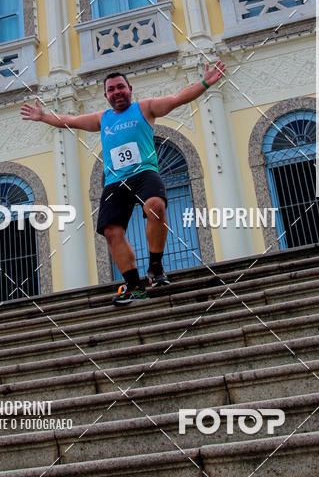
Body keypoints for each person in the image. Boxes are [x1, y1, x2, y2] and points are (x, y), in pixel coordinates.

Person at [20, 61, 226, 305]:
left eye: (121, 87)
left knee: (156, 208)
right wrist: (44, 116)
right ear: (106, 95)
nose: (117, 92)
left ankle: (155, 267)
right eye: (111, 89)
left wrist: (205, 83)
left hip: (144, 173)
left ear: (129, 88)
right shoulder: (102, 119)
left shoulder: (145, 108)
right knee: (111, 231)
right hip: (115, 181)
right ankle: (133, 284)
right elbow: (71, 121)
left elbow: (178, 98)